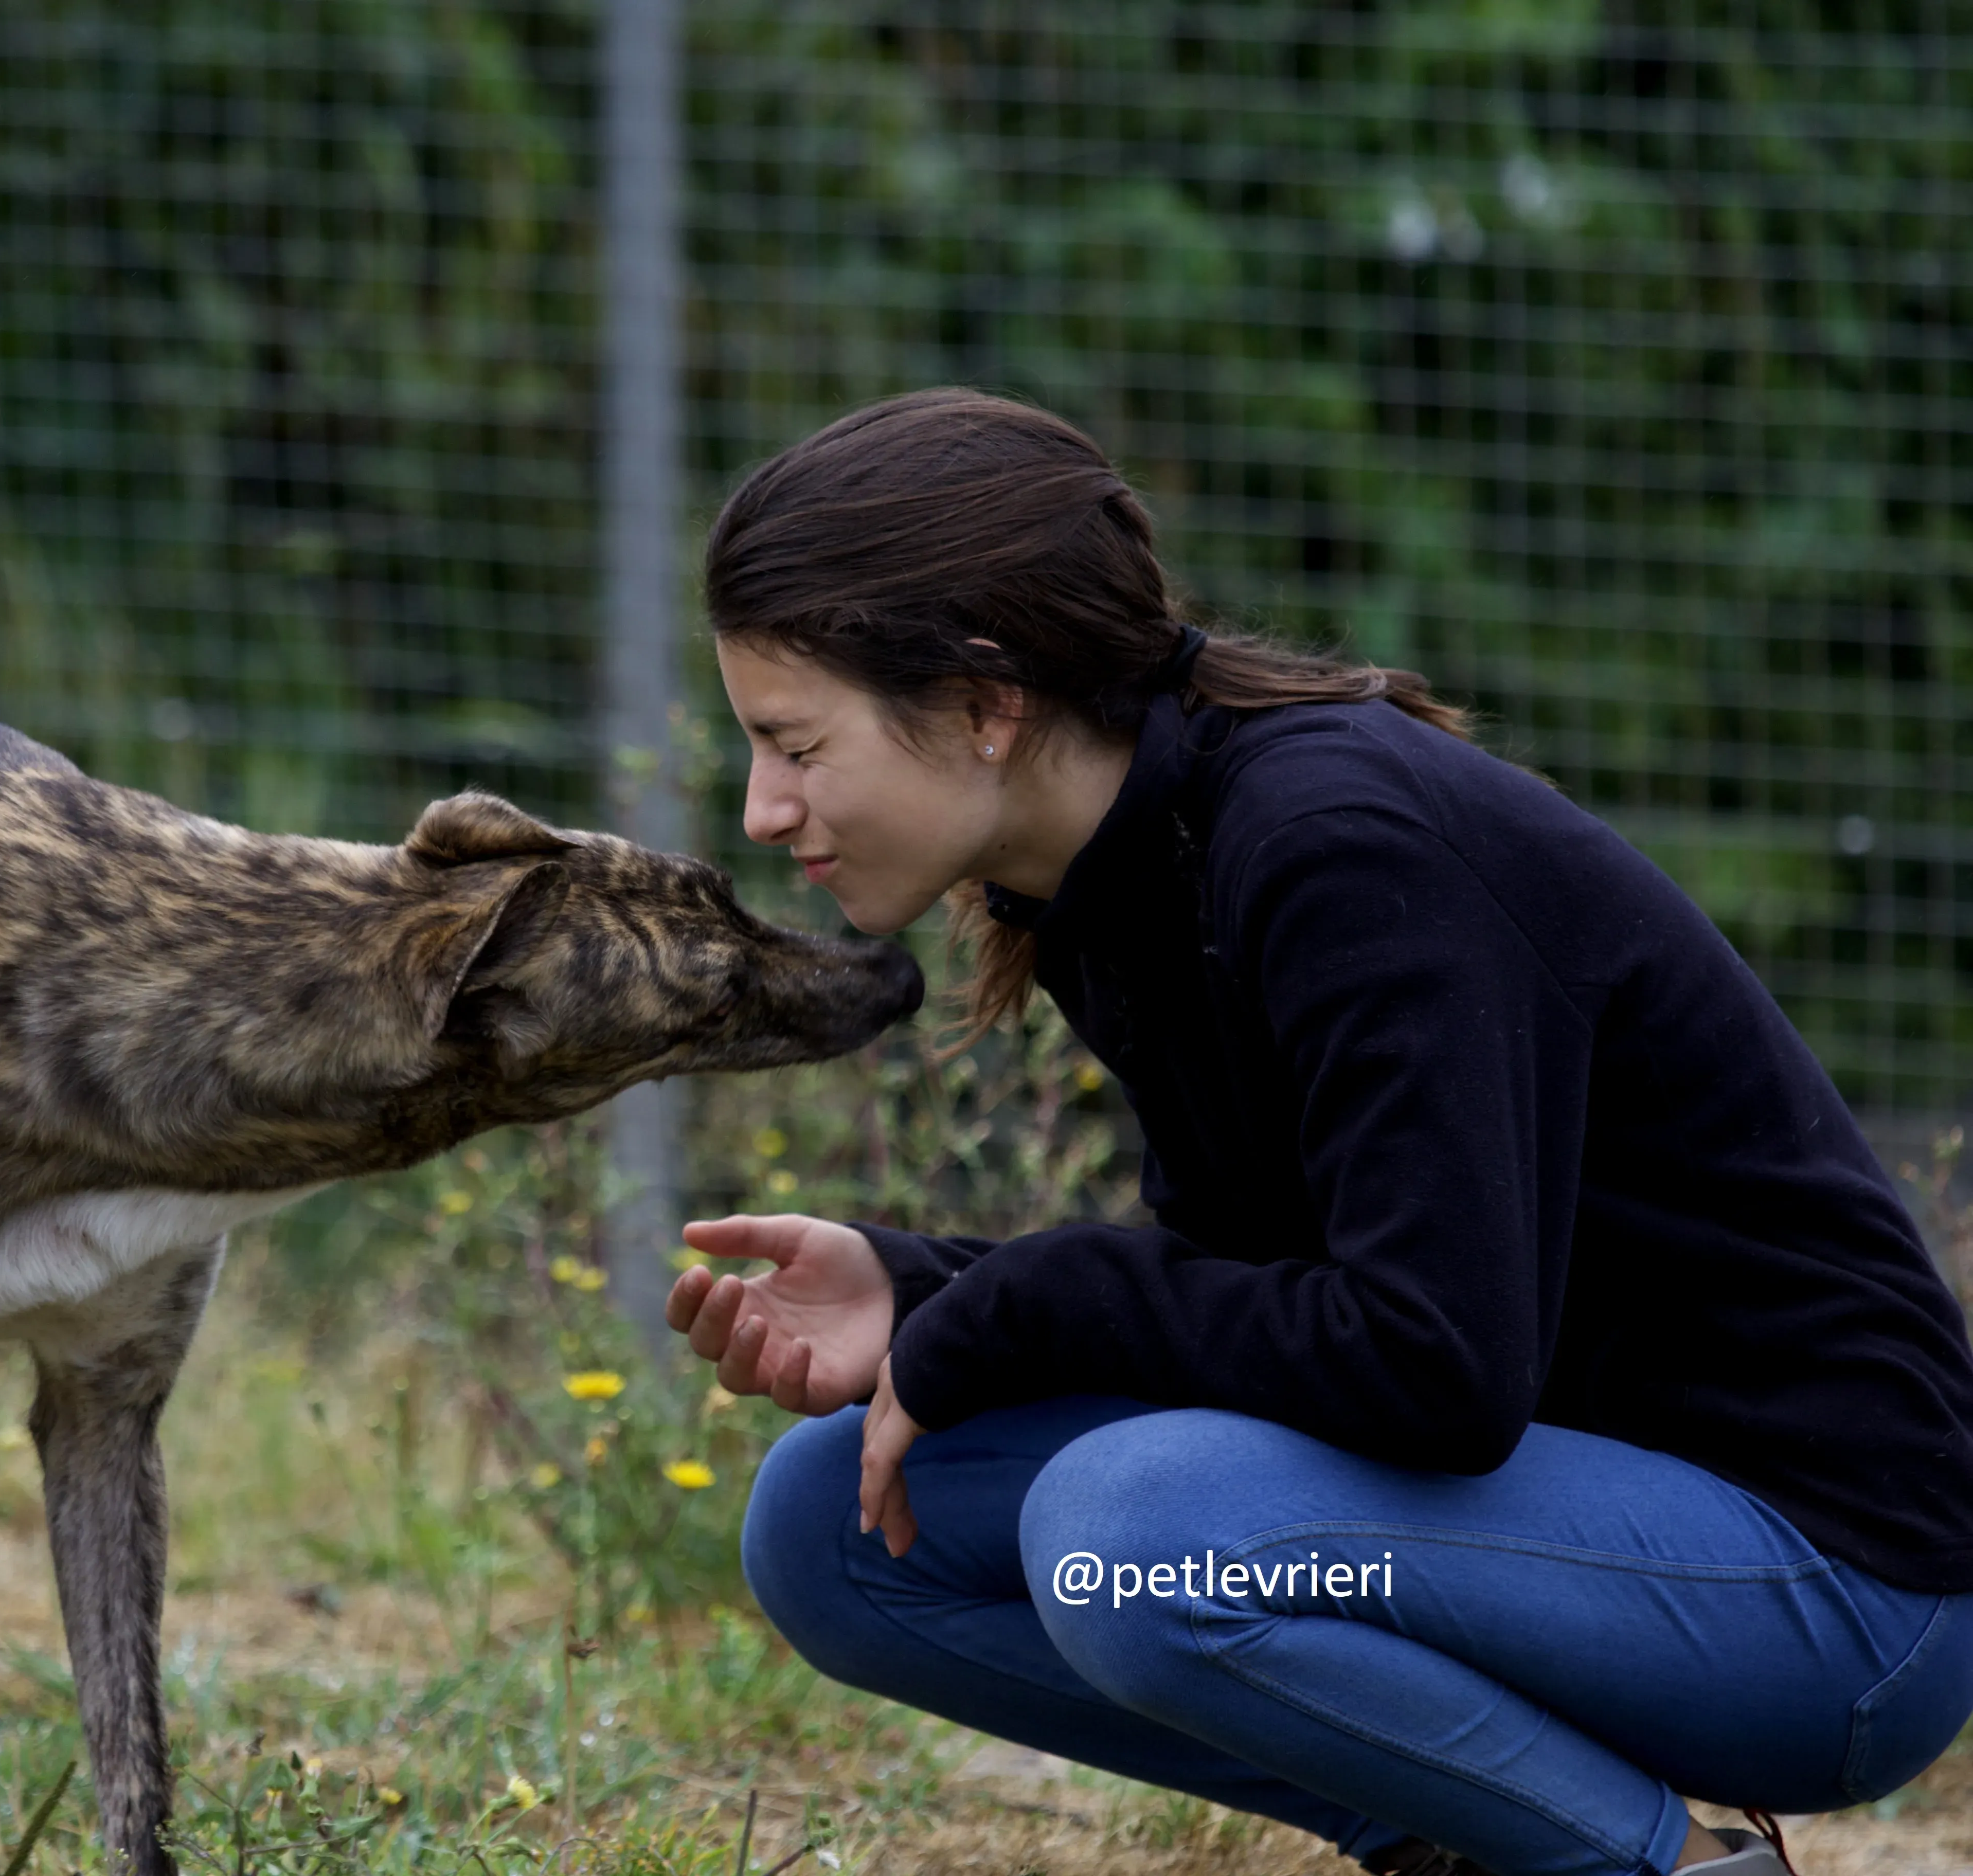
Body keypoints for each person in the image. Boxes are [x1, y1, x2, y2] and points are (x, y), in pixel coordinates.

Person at [661, 388, 1973, 1876]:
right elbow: (1269, 1277)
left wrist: (1021, 1310)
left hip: (1829, 1594)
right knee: (827, 1531)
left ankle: (1667, 1871)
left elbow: (1432, 1367)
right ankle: (1466, 1838)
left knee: (1136, 1537)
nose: (765, 809)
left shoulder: (1337, 843)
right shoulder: (1114, 875)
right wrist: (928, 1288)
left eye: (796, 744)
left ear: (984, 702)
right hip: (1554, 1526)